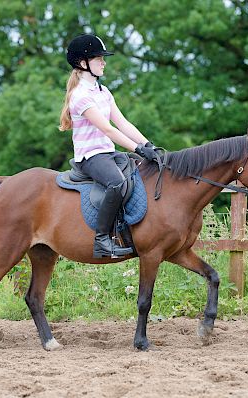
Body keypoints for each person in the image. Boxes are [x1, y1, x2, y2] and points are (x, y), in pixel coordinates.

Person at [59, 33, 158, 258]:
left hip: (108, 153)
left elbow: (122, 122)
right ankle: (102, 239)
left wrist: (147, 145)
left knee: (139, 172)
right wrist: (137, 149)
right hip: (90, 157)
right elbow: (108, 129)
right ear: (83, 64)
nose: (103, 62)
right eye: (98, 58)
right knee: (116, 182)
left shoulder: (103, 92)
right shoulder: (80, 96)